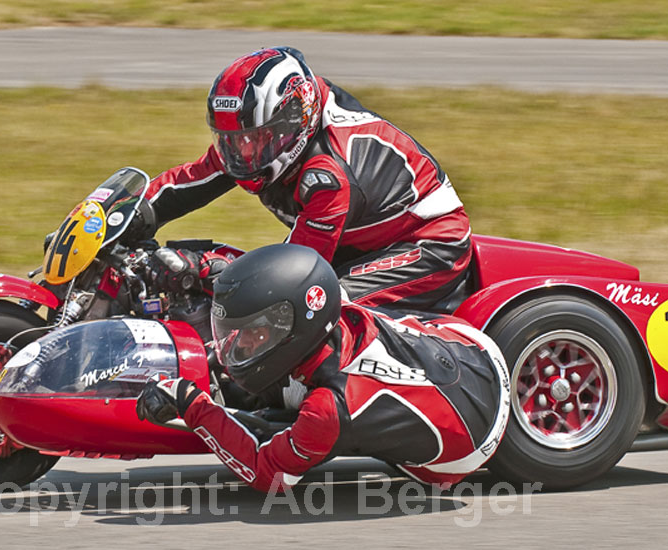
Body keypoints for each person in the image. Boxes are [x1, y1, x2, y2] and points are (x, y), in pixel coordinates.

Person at [136, 244, 510, 492]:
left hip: (458, 454)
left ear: (289, 330)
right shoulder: (330, 309)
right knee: (346, 299)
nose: (238, 344)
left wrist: (192, 405)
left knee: (271, 416)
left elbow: (269, 475)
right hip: (470, 344)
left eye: (252, 334)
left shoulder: (328, 408)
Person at [147, 46, 472, 311]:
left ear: (293, 123)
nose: (242, 152)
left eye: (256, 139)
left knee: (315, 305)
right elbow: (190, 179)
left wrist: (207, 265)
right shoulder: (262, 139)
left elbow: (289, 272)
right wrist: (128, 211)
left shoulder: (327, 176)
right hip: (357, 240)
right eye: (231, 139)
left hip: (425, 244)